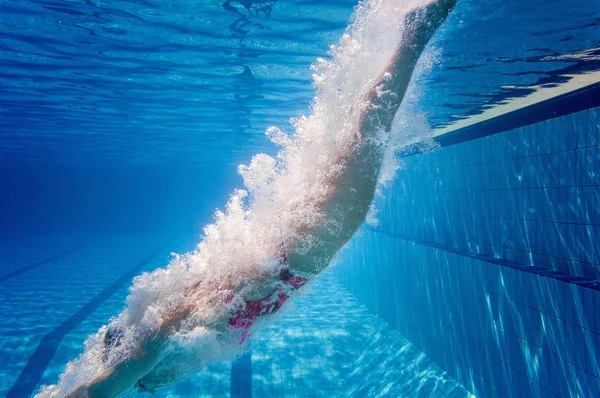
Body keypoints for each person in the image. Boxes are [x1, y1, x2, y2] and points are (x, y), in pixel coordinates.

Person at [67, 0, 456, 396]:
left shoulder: (165, 335)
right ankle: (412, 33)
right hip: (302, 249)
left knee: (369, 131)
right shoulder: (191, 340)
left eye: (143, 385)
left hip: (305, 245)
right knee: (363, 136)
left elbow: (132, 361)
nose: (156, 387)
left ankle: (415, 31)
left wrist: (111, 381)